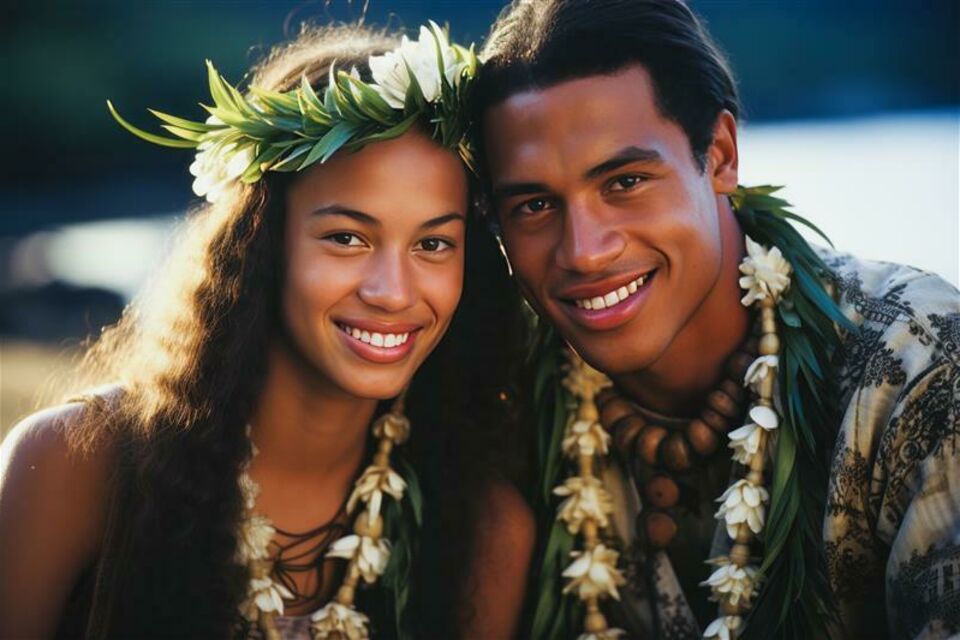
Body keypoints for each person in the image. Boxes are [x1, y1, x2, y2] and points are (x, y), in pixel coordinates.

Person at [0, 22, 534, 639]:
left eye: (434, 243)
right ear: (260, 241)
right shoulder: (73, 465)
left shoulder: (485, 530)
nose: (392, 291)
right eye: (346, 238)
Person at [471, 1, 960, 638]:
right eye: (534, 204)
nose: (584, 250)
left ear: (722, 155)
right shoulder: (499, 401)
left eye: (625, 182)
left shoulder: (918, 365)